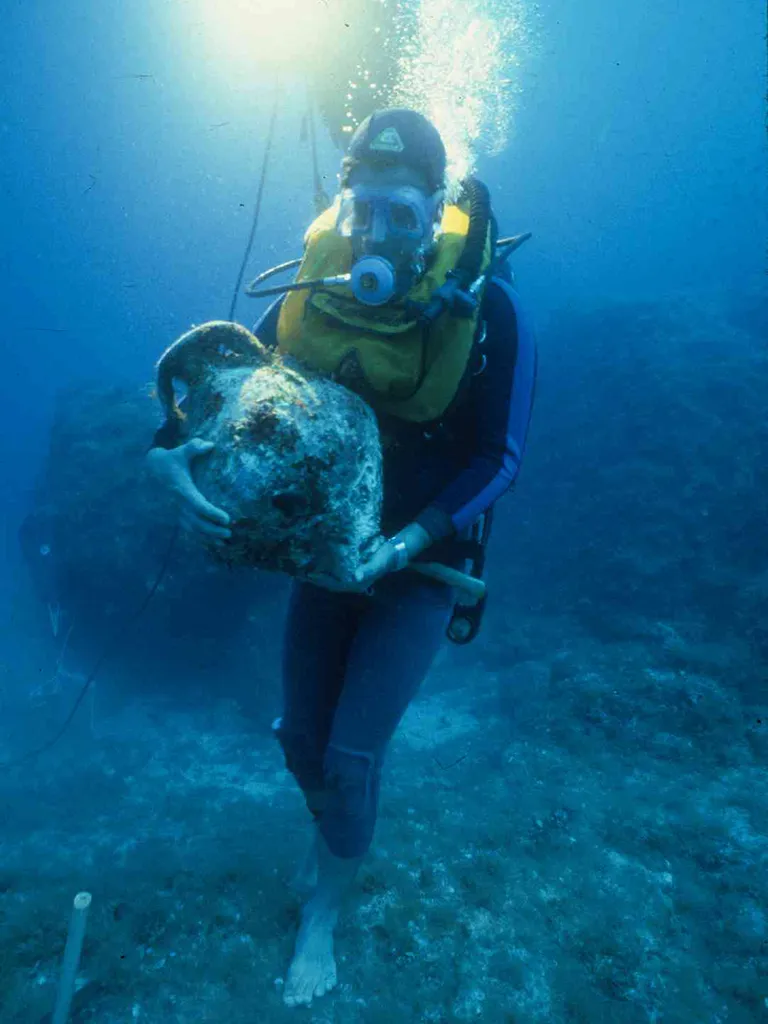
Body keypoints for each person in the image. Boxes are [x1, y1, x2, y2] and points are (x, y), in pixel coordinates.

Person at [147, 108, 536, 1008]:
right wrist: (165, 452)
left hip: (419, 566)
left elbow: (500, 459)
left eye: (405, 215)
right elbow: (241, 396)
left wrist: (405, 540)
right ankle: (340, 824)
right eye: (365, 210)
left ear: (438, 211)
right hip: (327, 557)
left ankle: (324, 907)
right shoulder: (313, 292)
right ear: (343, 206)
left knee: (350, 758)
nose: (379, 236)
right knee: (300, 743)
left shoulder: (493, 311)